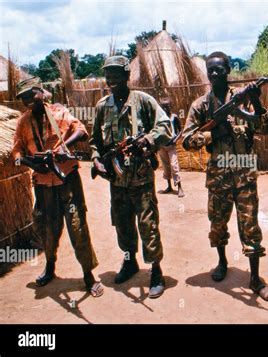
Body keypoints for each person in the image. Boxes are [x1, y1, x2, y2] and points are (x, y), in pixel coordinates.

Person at [182, 51, 268, 301]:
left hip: (244, 175)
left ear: (228, 70)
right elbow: (187, 140)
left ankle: (255, 279)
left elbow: (265, 128)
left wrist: (256, 102)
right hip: (218, 177)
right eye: (210, 70)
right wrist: (214, 134)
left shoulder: (243, 99)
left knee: (251, 227)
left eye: (219, 69)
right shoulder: (201, 105)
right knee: (218, 225)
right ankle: (222, 263)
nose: (214, 74)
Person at [89, 56, 173, 299]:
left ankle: (156, 270)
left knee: (148, 225)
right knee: (122, 224)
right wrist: (96, 159)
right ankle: (130, 261)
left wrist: (147, 140)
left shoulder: (143, 101)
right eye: (108, 75)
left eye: (116, 74)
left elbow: (166, 127)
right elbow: (95, 140)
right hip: (117, 181)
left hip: (142, 179)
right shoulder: (102, 106)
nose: (111, 79)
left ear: (127, 75)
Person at [12, 77, 103, 297]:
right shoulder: (23, 122)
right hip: (43, 185)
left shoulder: (60, 113)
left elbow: (82, 131)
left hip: (67, 181)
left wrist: (64, 147)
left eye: (31, 96)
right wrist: (30, 163)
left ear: (41, 93)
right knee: (46, 228)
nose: (28, 102)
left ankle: (88, 275)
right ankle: (50, 267)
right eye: (23, 98)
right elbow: (16, 152)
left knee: (77, 225)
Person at [157, 97, 185, 197]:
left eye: (167, 107)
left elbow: (180, 131)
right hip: (162, 146)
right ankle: (169, 186)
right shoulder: (159, 118)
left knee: (174, 165)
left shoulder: (174, 117)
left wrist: (175, 140)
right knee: (166, 166)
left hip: (171, 145)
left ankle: (179, 187)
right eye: (163, 107)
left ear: (171, 107)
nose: (165, 109)